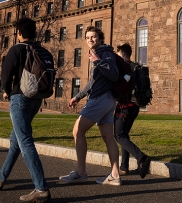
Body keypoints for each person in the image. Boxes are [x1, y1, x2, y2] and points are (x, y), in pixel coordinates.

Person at [0, 18, 51, 202]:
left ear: (19, 33)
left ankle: (41, 188)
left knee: (25, 142)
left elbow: (6, 76)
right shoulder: (44, 51)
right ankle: (0, 178)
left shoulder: (16, 49)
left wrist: (7, 91)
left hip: (19, 98)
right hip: (36, 100)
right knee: (16, 140)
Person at [59, 25, 121, 186]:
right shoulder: (98, 54)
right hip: (107, 100)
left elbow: (114, 74)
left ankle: (80, 172)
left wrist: (98, 61)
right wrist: (78, 97)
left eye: (93, 37)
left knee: (77, 131)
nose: (90, 40)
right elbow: (92, 82)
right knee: (108, 137)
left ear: (100, 39)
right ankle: (115, 175)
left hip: (100, 99)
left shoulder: (104, 53)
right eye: (87, 37)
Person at [114, 43, 151, 179]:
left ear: (123, 54)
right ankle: (124, 166)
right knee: (124, 135)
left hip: (124, 107)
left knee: (119, 136)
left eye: (118, 55)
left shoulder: (124, 67)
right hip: (135, 107)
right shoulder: (137, 67)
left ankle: (142, 158)